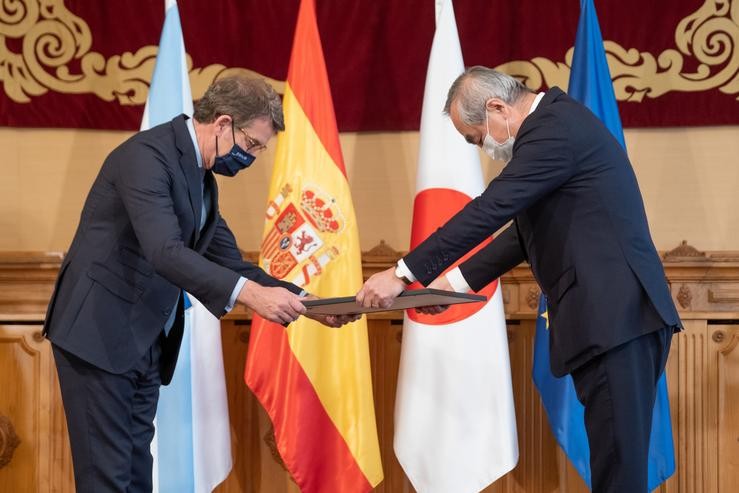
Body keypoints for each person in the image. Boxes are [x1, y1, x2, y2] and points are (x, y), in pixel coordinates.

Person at [357, 66, 681, 492]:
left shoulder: (553, 130)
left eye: (476, 138)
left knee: (619, 474)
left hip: (615, 319)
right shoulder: (556, 128)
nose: (482, 148)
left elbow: (491, 209)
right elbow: (521, 237)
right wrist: (451, 288)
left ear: (497, 108)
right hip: (614, 320)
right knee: (615, 468)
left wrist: (402, 273)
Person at [44, 75, 354, 492]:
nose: (253, 158)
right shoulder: (146, 156)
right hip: (99, 336)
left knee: (135, 475)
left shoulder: (200, 177)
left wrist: (311, 304)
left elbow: (232, 264)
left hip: (142, 341)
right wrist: (251, 297)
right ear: (223, 123)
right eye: (253, 145)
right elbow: (165, 251)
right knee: (107, 479)